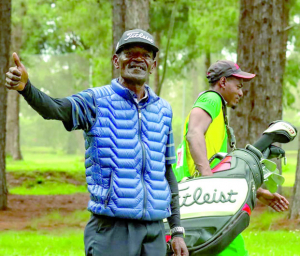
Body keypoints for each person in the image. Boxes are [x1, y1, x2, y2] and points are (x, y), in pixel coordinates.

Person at [5, 29, 188, 256]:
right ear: (116, 61)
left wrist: (177, 230)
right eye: (130, 53)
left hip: (154, 233)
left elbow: (167, 173)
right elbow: (56, 109)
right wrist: (26, 88)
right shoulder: (95, 101)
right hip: (111, 230)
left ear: (153, 65)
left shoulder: (163, 111)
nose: (138, 59)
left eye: (145, 55)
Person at [184, 60, 289, 256]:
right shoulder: (212, 99)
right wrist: (209, 184)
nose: (241, 93)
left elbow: (223, 170)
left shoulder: (217, 119)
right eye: (238, 86)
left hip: (201, 200)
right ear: (223, 82)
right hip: (205, 200)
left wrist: (259, 193)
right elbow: (193, 133)